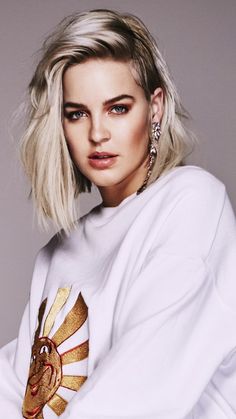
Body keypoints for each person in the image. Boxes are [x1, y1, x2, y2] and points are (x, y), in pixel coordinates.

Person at [0, 8, 236, 419]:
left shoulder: (191, 203)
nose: (97, 133)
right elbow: (17, 393)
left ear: (155, 108)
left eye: (118, 108)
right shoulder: (58, 253)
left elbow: (137, 398)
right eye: (77, 113)